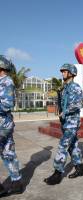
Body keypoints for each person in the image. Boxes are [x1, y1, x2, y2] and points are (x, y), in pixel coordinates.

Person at [44, 63, 83, 185]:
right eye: (62, 71)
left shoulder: (75, 87)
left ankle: (57, 173)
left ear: (71, 73)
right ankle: (80, 168)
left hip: (72, 122)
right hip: (65, 121)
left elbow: (79, 104)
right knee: (72, 146)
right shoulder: (64, 88)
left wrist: (65, 111)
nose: (62, 73)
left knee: (63, 145)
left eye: (64, 71)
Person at [0, 55, 23, 196]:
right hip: (4, 123)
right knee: (8, 153)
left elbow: (7, 104)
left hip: (3, 123)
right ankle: (17, 183)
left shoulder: (6, 82)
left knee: (8, 153)